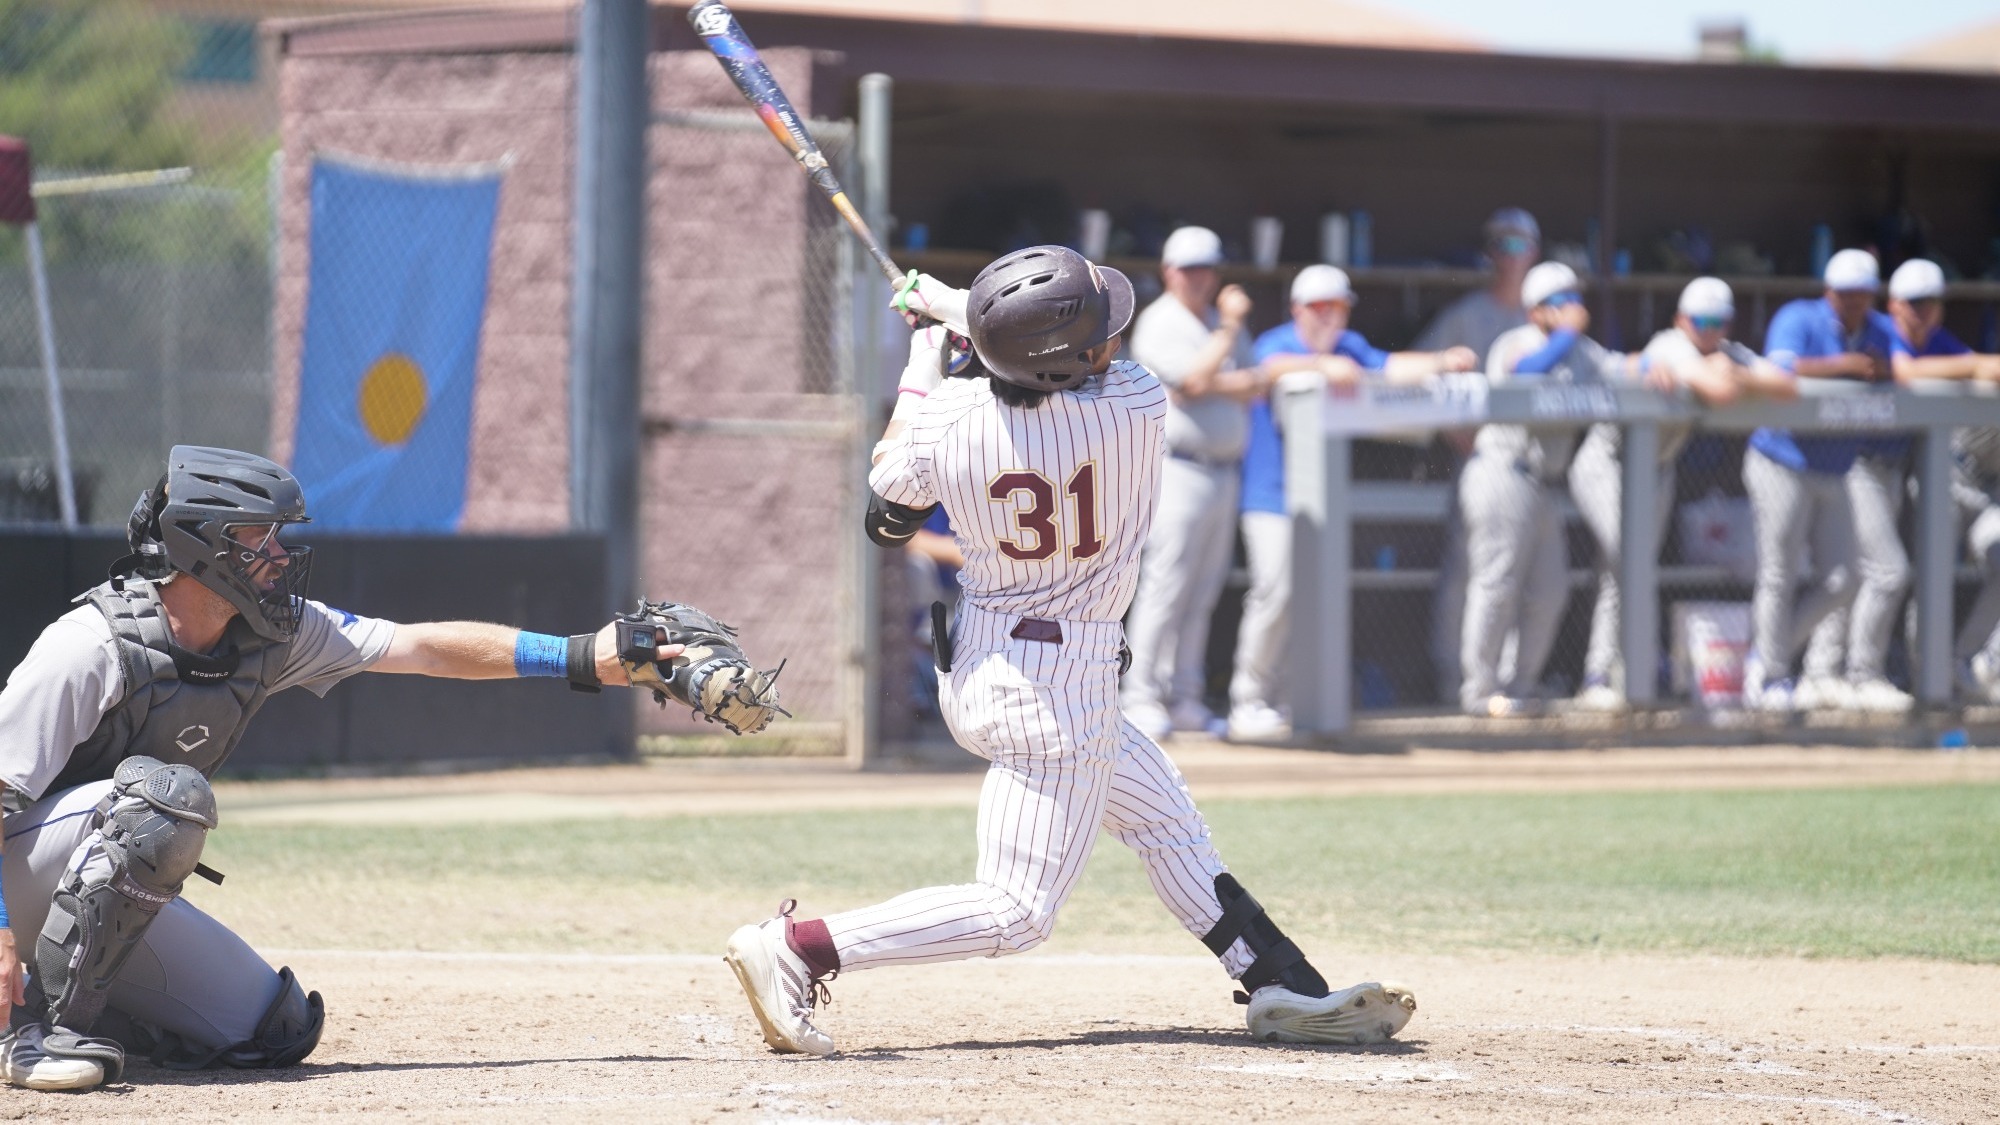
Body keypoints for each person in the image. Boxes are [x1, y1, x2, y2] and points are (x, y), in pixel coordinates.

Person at [719, 246, 1417, 1057]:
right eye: (1094, 336)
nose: (1109, 343)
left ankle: (1280, 981)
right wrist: (955, 309)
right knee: (1017, 912)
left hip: (986, 662)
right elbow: (1042, 365)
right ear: (1065, 363)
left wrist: (926, 348)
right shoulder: (1135, 403)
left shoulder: (950, 417)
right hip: (1059, 691)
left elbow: (886, 516)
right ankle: (797, 948)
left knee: (1166, 821)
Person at [0, 446, 690, 1092]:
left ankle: (65, 1005)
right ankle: (40, 1036)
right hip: (16, 874)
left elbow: (421, 646)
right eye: (257, 536)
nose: (278, 553)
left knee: (272, 1027)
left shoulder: (271, 633)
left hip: (81, 883)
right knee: (164, 800)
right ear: (203, 545)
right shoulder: (90, 645)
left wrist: (582, 656)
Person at [1227, 265, 1476, 741]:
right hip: (1270, 494)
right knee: (1275, 592)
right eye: (1322, 308)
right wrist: (1321, 366)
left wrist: (1444, 360)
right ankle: (1248, 699)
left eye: (1339, 308)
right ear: (1300, 309)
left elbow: (1392, 366)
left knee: (1312, 600)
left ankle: (1287, 700)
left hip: (1320, 501)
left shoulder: (1349, 347)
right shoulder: (1279, 343)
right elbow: (1269, 369)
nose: (1332, 318)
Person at [1566, 277, 1796, 711]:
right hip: (1608, 463)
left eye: (1718, 321)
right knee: (1629, 563)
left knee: (1625, 571)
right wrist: (1734, 377)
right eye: (1700, 320)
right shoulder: (1670, 345)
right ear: (1680, 320)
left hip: (1656, 470)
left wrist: (1739, 371)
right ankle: (1617, 673)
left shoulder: (1727, 353)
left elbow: (1787, 386)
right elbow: (1722, 391)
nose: (1709, 329)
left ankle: (1605, 675)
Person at [1464, 262, 1653, 717]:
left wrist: (1658, 365)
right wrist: (1567, 336)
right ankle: (1478, 691)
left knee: (1551, 591)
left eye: (1574, 299)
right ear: (1536, 311)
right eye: (1559, 302)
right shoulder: (1515, 341)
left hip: (1546, 483)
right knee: (1496, 586)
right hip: (1502, 469)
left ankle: (1519, 685)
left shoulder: (1583, 351)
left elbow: (1622, 367)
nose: (1572, 308)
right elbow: (1525, 375)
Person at [1120, 226, 1273, 740]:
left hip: (1223, 470)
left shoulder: (1213, 321)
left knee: (1203, 591)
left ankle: (1183, 695)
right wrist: (1228, 334)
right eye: (1189, 270)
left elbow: (1255, 383)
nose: (1199, 279)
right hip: (1176, 467)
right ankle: (1140, 695)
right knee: (1165, 586)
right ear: (1169, 273)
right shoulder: (1162, 321)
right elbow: (1189, 383)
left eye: (1206, 268)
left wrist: (1216, 378)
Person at [1741, 249, 1900, 712]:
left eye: (1861, 294)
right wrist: (1845, 366)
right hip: (1780, 458)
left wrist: (1886, 370)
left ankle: (1768, 653)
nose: (1853, 303)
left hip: (1835, 464)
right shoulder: (1800, 317)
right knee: (1778, 572)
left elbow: (1899, 369)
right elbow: (1777, 370)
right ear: (1829, 290)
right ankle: (1770, 676)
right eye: (1845, 294)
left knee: (1845, 577)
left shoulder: (1879, 329)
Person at [1416, 208, 1542, 707]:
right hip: (1481, 464)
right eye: (1500, 245)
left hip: (1536, 465)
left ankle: (1510, 682)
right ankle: (1457, 680)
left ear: (1535, 252)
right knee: (1468, 575)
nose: (1509, 257)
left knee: (1528, 580)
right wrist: (1458, 434)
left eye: (1520, 245)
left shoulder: (1541, 318)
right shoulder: (1466, 315)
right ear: (1488, 253)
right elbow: (1424, 381)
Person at [1875, 260, 2000, 699]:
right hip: (1922, 473)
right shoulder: (1881, 331)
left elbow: (1984, 369)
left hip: (1982, 484)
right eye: (1914, 304)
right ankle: (1923, 680)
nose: (1923, 312)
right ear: (1894, 305)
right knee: (1926, 579)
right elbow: (1905, 374)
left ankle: (1966, 662)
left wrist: (1975, 366)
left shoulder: (1940, 340)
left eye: (1930, 304)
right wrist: (1973, 366)